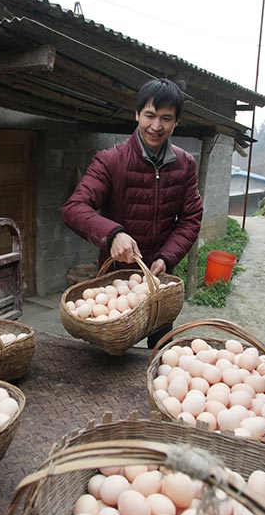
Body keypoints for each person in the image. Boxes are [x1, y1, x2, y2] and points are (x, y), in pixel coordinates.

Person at [61, 78, 203, 348]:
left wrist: (166, 257)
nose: (156, 126)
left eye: (166, 118)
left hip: (158, 278)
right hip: (114, 279)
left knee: (160, 349)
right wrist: (113, 235)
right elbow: (73, 208)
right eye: (149, 115)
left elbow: (190, 220)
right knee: (111, 346)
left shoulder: (185, 165)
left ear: (176, 122)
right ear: (137, 114)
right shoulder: (110, 160)